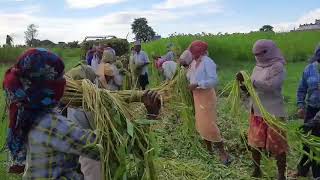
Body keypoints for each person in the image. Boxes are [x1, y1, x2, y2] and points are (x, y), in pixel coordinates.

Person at [3, 48, 161, 179]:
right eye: (59, 78)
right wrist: (148, 116)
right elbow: (104, 147)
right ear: (48, 86)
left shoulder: (26, 113)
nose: (64, 83)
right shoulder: (50, 123)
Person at [236, 40, 287, 180]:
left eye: (261, 53)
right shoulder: (257, 67)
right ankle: (257, 169)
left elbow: (272, 86)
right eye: (256, 54)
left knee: (278, 145)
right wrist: (242, 85)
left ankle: (282, 174)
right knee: (254, 142)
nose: (258, 57)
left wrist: (250, 82)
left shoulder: (278, 66)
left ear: (269, 51)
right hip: (257, 110)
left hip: (273, 112)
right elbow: (252, 87)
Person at [187, 40, 231, 165]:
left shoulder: (208, 62)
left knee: (209, 124)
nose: (193, 54)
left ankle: (222, 153)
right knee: (201, 124)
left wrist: (198, 84)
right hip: (197, 96)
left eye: (194, 52)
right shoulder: (193, 62)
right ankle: (209, 149)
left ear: (200, 51)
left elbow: (214, 80)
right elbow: (189, 76)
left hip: (206, 95)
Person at [295, 45, 320, 179]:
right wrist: (301, 105)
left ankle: (317, 175)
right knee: (307, 142)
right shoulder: (309, 69)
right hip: (312, 109)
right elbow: (301, 89)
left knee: (318, 144)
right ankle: (302, 170)